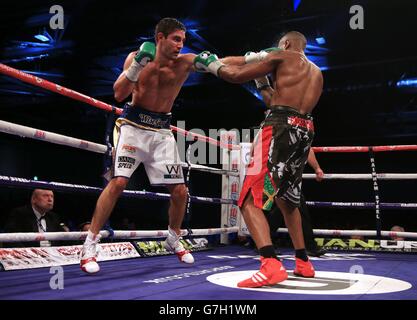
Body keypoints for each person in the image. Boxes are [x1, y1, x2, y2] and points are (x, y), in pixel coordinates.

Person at [195, 31, 323, 287]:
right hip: (303, 132)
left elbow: (237, 75)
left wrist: (211, 63)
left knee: (248, 199)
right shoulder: (317, 72)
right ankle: (303, 262)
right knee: (288, 200)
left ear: (285, 44)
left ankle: (270, 264)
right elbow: (278, 101)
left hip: (278, 131)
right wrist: (263, 82)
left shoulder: (282, 55)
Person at [80, 18, 199, 274]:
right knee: (119, 182)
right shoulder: (137, 57)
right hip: (133, 128)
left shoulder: (185, 63)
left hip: (161, 132)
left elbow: (222, 66)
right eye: (176, 39)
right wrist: (136, 66)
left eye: (183, 40)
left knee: (180, 191)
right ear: (160, 37)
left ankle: (173, 238)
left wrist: (252, 62)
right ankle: (89, 243)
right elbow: (119, 94)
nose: (180, 45)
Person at [3, 189, 68, 247]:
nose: (50, 199)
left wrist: (77, 236)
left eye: (52, 196)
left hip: (52, 257)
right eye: (45, 196)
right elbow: (11, 240)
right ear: (34, 199)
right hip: (28, 257)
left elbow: (64, 240)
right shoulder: (20, 214)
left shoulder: (54, 217)